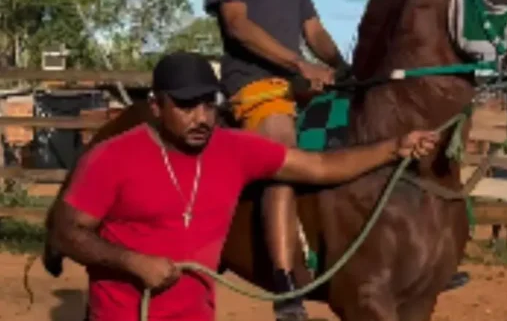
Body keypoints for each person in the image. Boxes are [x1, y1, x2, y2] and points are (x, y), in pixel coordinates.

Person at [203, 0, 466, 318]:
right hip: (255, 85)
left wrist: (345, 71)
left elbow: (314, 30)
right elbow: (237, 24)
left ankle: (413, 260)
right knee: (284, 155)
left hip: (297, 85)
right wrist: (299, 64)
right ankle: (285, 283)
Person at [48, 52, 442, 321]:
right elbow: (65, 231)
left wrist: (393, 147)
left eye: (208, 104)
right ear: (156, 107)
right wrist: (132, 262)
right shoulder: (113, 157)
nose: (201, 117)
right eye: (186, 106)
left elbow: (320, 166)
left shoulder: (232, 149)